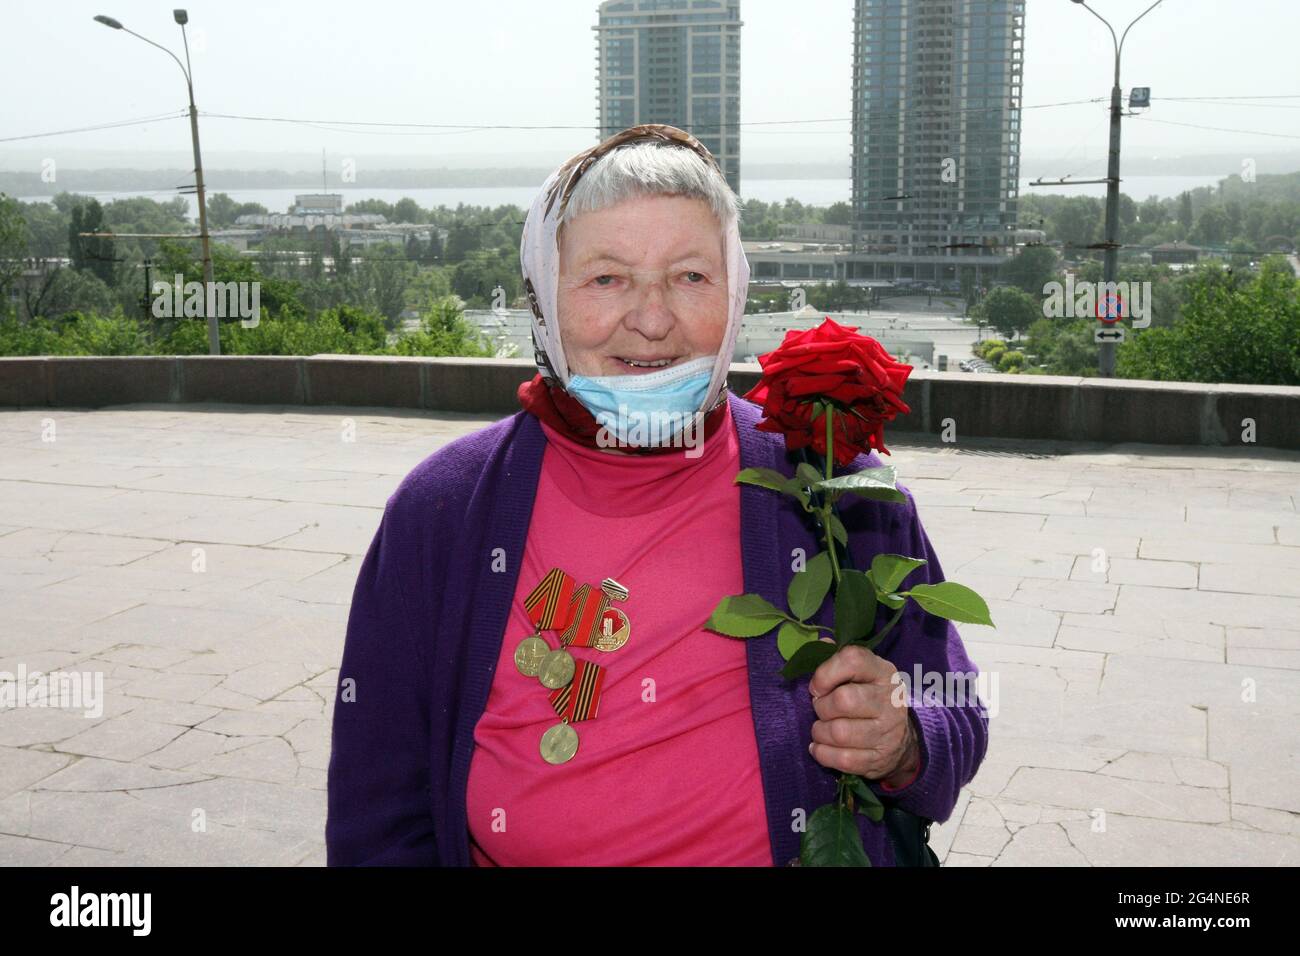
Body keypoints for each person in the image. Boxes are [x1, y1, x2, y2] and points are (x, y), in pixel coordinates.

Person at [325, 124, 988, 866]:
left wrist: (904, 741)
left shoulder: (835, 485)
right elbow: (376, 811)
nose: (651, 318)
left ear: (735, 295)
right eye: (606, 278)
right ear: (544, 301)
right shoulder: (442, 509)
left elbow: (956, 705)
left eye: (690, 276)